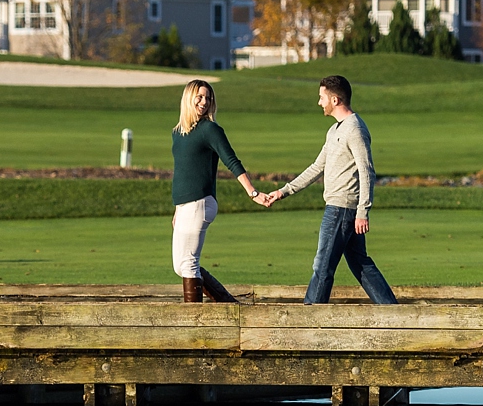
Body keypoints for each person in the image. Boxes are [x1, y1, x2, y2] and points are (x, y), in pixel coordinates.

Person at [258, 75, 398, 306]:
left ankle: (310, 316)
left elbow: (367, 171)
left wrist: (363, 211)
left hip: (342, 209)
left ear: (335, 99)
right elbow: (317, 167)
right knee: (360, 263)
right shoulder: (334, 131)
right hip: (339, 208)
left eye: (322, 97)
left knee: (323, 265)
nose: (319, 102)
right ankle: (392, 311)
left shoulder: (355, 129)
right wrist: (284, 191)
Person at [170, 79, 263, 303]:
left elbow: (231, 161)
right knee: (180, 266)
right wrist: (177, 209)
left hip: (200, 203)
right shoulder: (178, 132)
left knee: (189, 262)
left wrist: (252, 192)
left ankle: (195, 321)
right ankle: (228, 304)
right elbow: (183, 170)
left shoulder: (210, 129)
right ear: (188, 98)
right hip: (184, 206)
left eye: (208, 98)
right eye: (200, 97)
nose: (204, 102)